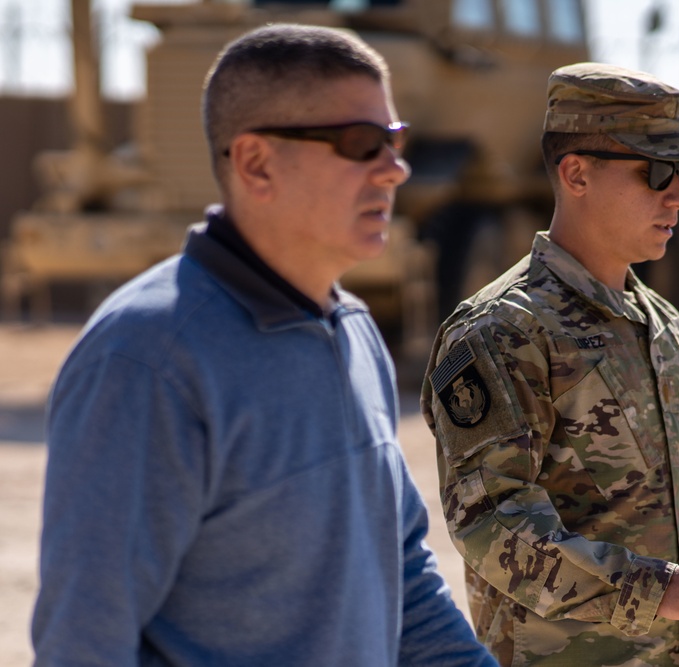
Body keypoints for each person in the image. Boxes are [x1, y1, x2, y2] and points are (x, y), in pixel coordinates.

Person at [32, 24, 496, 667]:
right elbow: (84, 641)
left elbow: (400, 580)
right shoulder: (147, 360)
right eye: (361, 144)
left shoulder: (353, 330)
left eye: (395, 140)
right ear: (255, 162)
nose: (396, 170)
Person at [420, 62, 679, 667]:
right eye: (658, 172)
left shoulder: (661, 323)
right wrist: (657, 590)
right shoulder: (504, 331)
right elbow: (490, 526)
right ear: (576, 173)